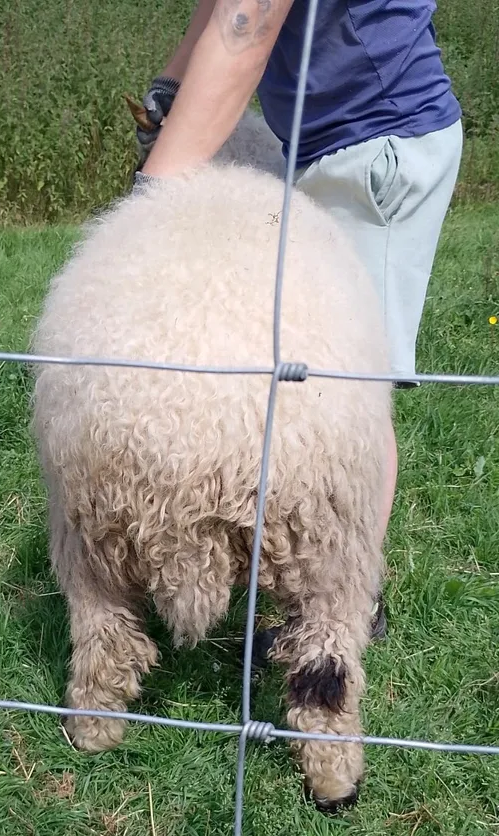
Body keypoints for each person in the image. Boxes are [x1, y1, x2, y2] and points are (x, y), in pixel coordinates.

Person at [133, 0, 463, 639]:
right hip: (317, 140)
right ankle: (287, 572)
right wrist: (170, 92)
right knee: (293, 375)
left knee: (349, 394)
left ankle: (342, 606)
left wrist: (156, 191)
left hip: (378, 147)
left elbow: (247, 23)